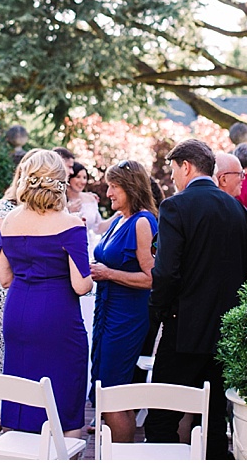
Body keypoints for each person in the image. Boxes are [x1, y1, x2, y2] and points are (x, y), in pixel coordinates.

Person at [148, 139, 247, 460]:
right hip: (227, 330)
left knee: (162, 415)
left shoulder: (175, 206)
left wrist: (157, 311)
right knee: (213, 419)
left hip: (182, 327)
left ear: (187, 166)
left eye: (173, 170)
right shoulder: (239, 210)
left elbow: (167, 272)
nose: (173, 178)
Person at [0, 149, 92, 437]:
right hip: (57, 317)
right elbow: (81, 285)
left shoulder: (9, 221)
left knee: (23, 392)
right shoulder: (70, 224)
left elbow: (4, 278)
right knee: (64, 401)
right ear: (60, 182)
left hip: (17, 313)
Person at [89, 159, 158, 445]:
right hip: (106, 312)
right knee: (107, 388)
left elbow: (152, 278)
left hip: (127, 316)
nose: (109, 193)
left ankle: (122, 456)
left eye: (114, 186)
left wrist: (108, 274)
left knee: (114, 393)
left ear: (131, 187)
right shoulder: (119, 220)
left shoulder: (143, 221)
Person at [0, 148, 41, 375]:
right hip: (12, 290)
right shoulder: (7, 207)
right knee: (8, 370)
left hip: (36, 292)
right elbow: (3, 257)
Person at [66, 161, 108, 242]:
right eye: (78, 177)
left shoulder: (91, 198)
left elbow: (98, 228)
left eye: (85, 177)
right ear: (69, 178)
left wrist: (117, 215)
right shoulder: (60, 200)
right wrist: (69, 211)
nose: (82, 181)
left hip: (89, 244)